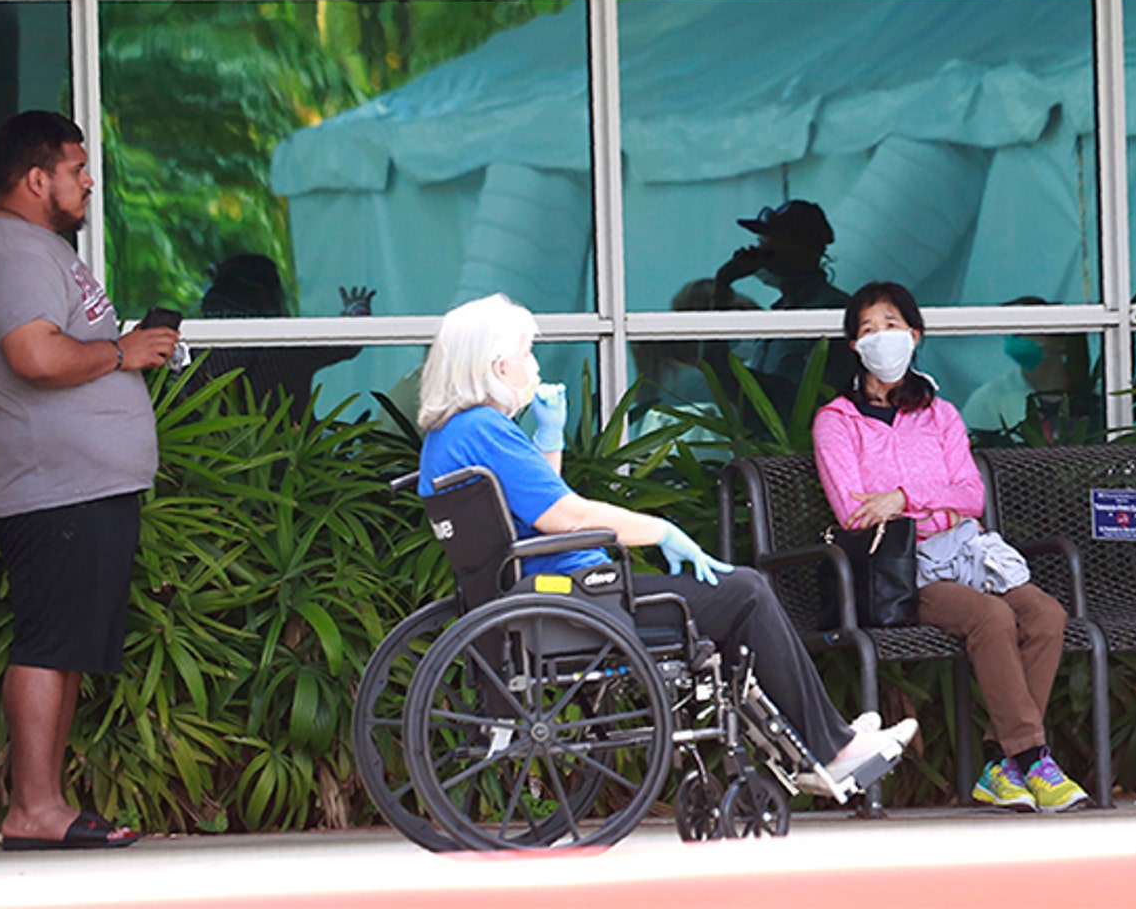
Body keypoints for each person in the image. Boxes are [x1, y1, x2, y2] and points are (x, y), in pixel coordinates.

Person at [415, 293, 914, 792]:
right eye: (527, 354)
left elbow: (536, 509)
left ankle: (820, 741)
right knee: (745, 591)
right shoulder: (487, 430)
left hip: (545, 590)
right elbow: (566, 516)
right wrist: (662, 530)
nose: (534, 364)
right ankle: (831, 749)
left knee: (733, 591)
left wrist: (551, 437)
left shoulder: (452, 434)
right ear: (501, 366)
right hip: (580, 596)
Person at [0, 111, 182, 850]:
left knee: (65, 643)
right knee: (49, 641)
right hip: (53, 490)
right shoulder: (12, 252)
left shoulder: (33, 248)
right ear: (36, 178)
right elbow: (38, 358)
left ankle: (45, 806)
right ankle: (34, 810)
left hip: (76, 488)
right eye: (78, 171)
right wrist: (122, 353)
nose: (89, 183)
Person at [812, 281, 1091, 813]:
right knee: (991, 616)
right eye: (868, 330)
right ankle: (1033, 759)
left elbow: (971, 495)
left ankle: (1000, 765)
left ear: (915, 335)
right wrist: (924, 508)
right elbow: (853, 510)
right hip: (901, 570)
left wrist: (902, 497)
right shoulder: (836, 421)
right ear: (853, 347)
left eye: (891, 325)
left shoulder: (939, 414)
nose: (881, 338)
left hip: (966, 552)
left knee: (1046, 615)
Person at [707, 200, 851, 414]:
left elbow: (810, 399)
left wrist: (723, 286)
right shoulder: (783, 311)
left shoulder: (831, 312)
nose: (759, 250)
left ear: (800, 249)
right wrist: (722, 286)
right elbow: (711, 366)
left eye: (770, 243)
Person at [187, 252, 374, 412]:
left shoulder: (200, 347)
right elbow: (346, 344)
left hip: (214, 452)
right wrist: (356, 312)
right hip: (289, 449)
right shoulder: (289, 345)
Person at [962, 297, 1098, 445]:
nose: (1013, 339)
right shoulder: (988, 399)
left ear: (1059, 342)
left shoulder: (1094, 397)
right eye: (1008, 333)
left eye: (1022, 331)